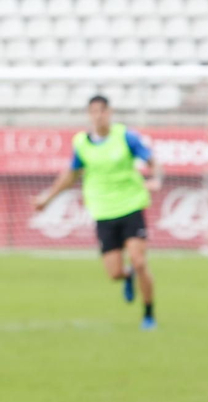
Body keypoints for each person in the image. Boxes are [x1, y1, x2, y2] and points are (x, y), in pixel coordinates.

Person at [33, 95, 162, 329]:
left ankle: (148, 314)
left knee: (139, 260)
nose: (98, 115)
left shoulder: (126, 136)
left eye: (102, 110)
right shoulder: (81, 143)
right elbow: (70, 175)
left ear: (110, 112)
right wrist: (47, 199)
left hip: (131, 206)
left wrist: (156, 179)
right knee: (114, 273)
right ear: (89, 115)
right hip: (103, 211)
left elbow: (152, 161)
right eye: (93, 111)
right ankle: (127, 276)